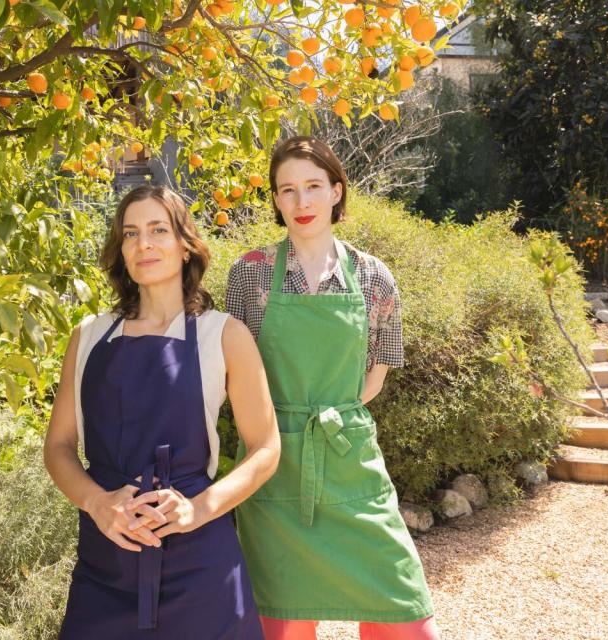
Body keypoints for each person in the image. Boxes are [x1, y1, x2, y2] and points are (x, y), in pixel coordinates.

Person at [226, 136, 440, 640]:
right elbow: (233, 376)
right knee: (283, 624)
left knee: (404, 612)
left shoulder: (373, 276)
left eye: (314, 187)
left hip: (349, 461)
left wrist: (328, 414)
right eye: (288, 190)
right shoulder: (249, 273)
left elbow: (375, 378)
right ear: (276, 200)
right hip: (273, 464)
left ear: (337, 191)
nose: (302, 203)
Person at [44, 184, 280, 639]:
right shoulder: (89, 336)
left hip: (200, 564)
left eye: (158, 230)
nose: (144, 244)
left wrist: (198, 509)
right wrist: (98, 502)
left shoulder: (224, 335)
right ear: (120, 250)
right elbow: (58, 446)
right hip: (105, 558)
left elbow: (266, 448)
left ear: (185, 245)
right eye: (130, 234)